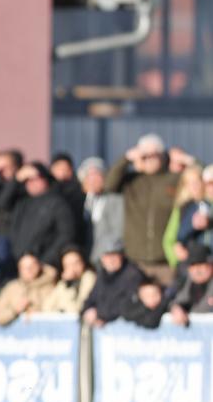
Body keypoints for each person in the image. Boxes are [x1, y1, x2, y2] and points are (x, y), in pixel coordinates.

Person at [105, 134, 181, 285]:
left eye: (154, 155)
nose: (150, 160)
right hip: (135, 262)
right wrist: (126, 158)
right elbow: (109, 185)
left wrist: (186, 159)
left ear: (162, 156)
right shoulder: (132, 181)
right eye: (145, 156)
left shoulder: (173, 179)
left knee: (168, 305)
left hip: (164, 262)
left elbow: (200, 182)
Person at [81, 238, 145, 328]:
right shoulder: (102, 274)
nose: (110, 260)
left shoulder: (133, 275)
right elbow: (92, 298)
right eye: (107, 256)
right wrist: (87, 310)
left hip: (124, 330)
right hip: (103, 330)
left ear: (122, 256)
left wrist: (99, 314)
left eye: (114, 255)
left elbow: (126, 305)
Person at [0, 253, 57, 325]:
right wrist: (14, 310)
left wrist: (37, 312)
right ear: (19, 269)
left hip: (45, 333)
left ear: (39, 266)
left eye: (32, 266)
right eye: (25, 267)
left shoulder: (51, 285)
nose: (29, 270)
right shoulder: (12, 287)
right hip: (19, 334)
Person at [169, 244, 213, 326]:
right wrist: (176, 308)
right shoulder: (188, 282)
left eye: (201, 264)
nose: (197, 270)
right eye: (192, 265)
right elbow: (177, 300)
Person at [42, 247, 96, 314]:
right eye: (68, 265)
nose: (72, 268)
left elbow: (77, 309)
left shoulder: (88, 277)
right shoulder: (64, 282)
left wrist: (68, 286)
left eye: (76, 263)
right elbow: (46, 307)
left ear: (83, 262)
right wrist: (65, 283)